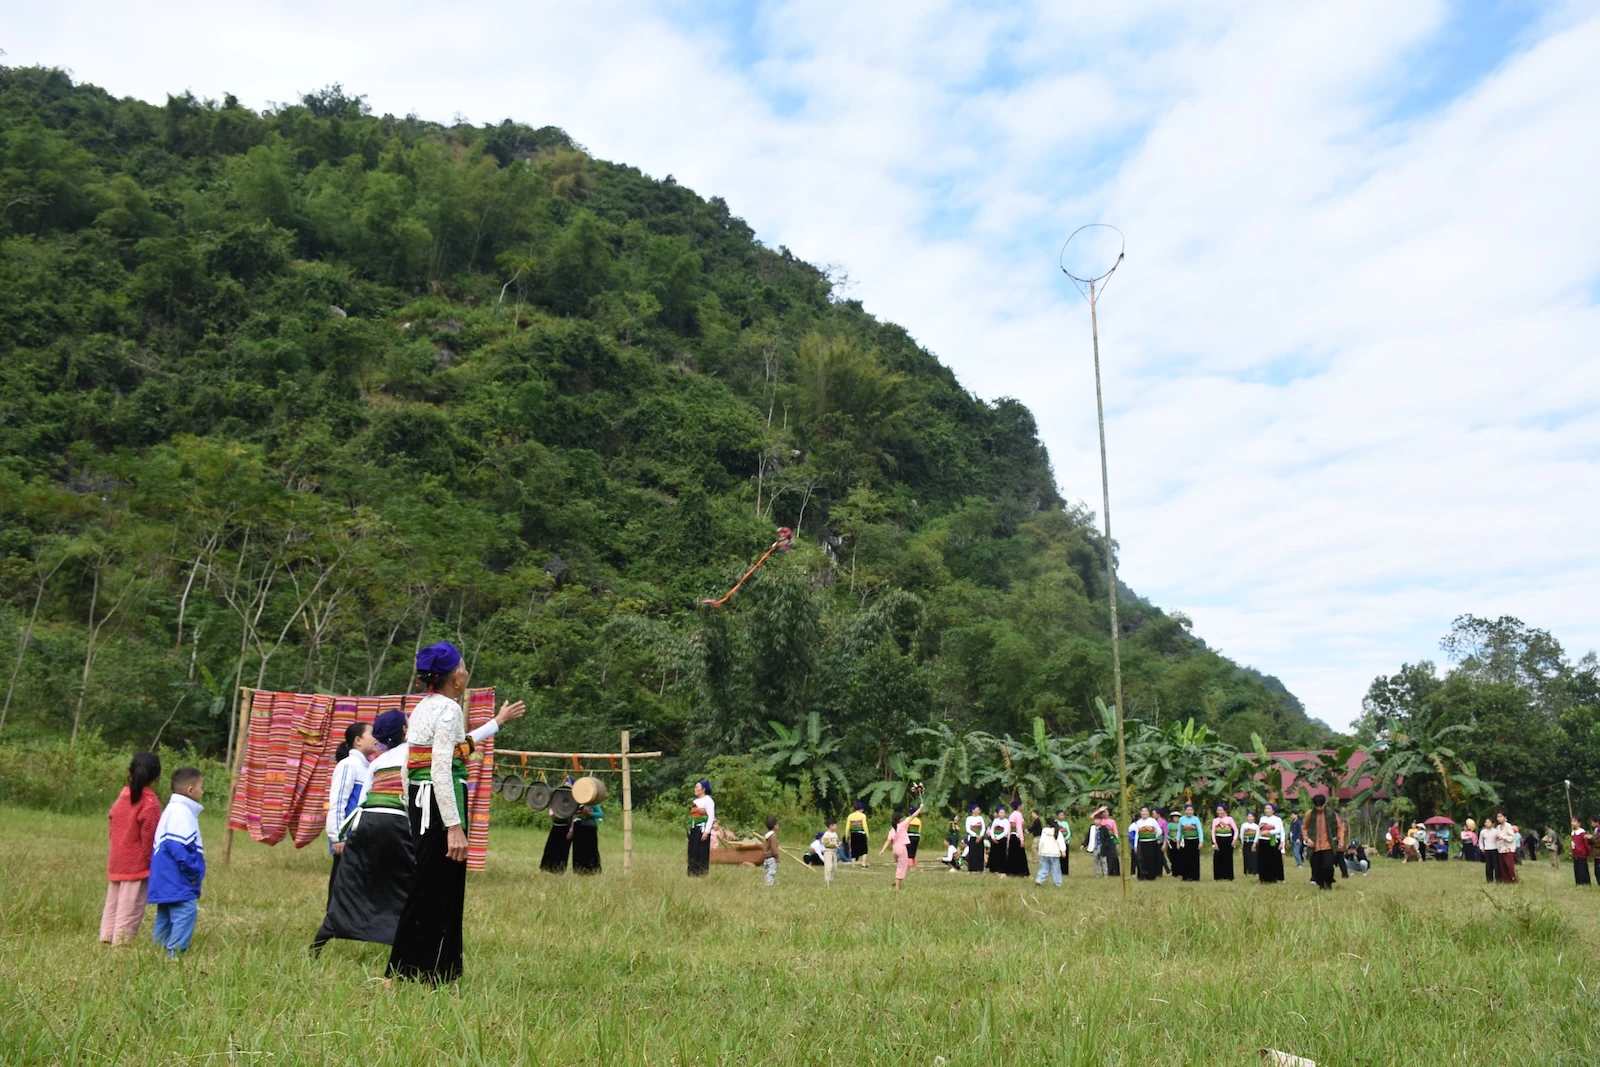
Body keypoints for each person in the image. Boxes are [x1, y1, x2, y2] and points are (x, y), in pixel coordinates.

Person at [388, 641, 526, 985]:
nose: (465, 671)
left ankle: (428, 971)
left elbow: (421, 761)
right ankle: (412, 972)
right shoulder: (448, 710)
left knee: (429, 886)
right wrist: (453, 826)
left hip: (424, 806)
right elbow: (439, 768)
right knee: (437, 890)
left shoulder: (423, 708)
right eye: (463, 667)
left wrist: (496, 721)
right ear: (457, 678)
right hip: (439, 806)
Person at [101, 751, 162, 946]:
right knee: (130, 906)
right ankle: (121, 943)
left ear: (129, 773)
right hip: (136, 865)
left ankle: (106, 936)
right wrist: (152, 862)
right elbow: (149, 838)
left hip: (117, 859)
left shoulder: (122, 797)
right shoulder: (150, 803)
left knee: (113, 901)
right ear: (157, 778)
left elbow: (112, 825)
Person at [148, 766, 205, 958]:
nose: (202, 791)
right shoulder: (182, 812)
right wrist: (194, 872)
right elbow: (179, 847)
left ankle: (158, 950)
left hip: (163, 876)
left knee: (165, 913)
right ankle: (174, 953)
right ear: (190, 790)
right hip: (177, 878)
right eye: (201, 787)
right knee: (186, 911)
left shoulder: (172, 809)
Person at [324, 721, 378, 901]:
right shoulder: (348, 765)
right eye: (371, 734)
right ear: (358, 740)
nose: (376, 737)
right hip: (346, 838)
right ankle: (333, 925)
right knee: (341, 885)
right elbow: (338, 801)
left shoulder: (368, 767)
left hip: (360, 837)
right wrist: (338, 837)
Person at [1304, 794, 1344, 891]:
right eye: (1317, 806)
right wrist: (1307, 839)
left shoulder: (1332, 814)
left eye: (1321, 806)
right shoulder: (1309, 814)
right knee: (1316, 868)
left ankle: (1328, 883)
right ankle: (1321, 885)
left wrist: (1341, 839)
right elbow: (1304, 828)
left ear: (1324, 804)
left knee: (1328, 866)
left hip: (1328, 845)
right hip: (1314, 846)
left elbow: (1339, 828)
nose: (1319, 808)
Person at [878, 804, 921, 889]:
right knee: (902, 867)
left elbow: (888, 840)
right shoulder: (903, 825)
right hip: (902, 849)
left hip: (895, 849)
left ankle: (896, 881)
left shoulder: (893, 829)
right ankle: (897, 886)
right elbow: (913, 816)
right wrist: (920, 808)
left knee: (900, 865)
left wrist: (883, 850)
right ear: (900, 819)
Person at [542, 777, 578, 875]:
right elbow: (552, 811)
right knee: (550, 847)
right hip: (556, 827)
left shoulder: (575, 799)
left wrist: (571, 831)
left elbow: (574, 817)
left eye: (568, 785)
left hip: (566, 828)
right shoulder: (558, 796)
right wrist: (553, 814)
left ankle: (559, 870)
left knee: (562, 850)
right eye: (565, 785)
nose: (567, 787)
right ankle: (547, 867)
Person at [687, 780, 716, 877]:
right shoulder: (695, 801)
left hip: (702, 829)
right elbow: (692, 816)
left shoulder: (708, 801)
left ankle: (701, 873)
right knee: (692, 851)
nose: (695, 789)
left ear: (703, 789)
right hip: (694, 828)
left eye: (697, 787)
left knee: (702, 851)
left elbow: (711, 817)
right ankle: (692, 873)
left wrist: (706, 832)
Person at [1256, 803, 1286, 884]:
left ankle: (1273, 878)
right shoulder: (1262, 818)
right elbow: (1258, 831)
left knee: (1272, 860)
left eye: (1269, 808)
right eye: (1266, 808)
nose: (1267, 810)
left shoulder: (1277, 819)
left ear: (1273, 810)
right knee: (1262, 860)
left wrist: (1269, 832)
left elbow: (1279, 830)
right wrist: (1255, 842)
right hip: (1262, 841)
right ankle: (1262, 878)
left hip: (1272, 841)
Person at [571, 800, 603, 875]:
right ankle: (579, 869)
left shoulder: (592, 802)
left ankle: (593, 869)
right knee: (578, 849)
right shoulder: (574, 801)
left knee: (591, 849)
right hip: (578, 827)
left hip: (589, 827)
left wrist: (590, 813)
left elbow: (600, 814)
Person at [1132, 807, 1163, 881]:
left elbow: (1159, 831)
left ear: (1148, 813)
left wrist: (1154, 837)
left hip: (1151, 843)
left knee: (1151, 859)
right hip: (1142, 843)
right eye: (1142, 811)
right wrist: (1136, 845)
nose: (1144, 813)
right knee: (1141, 859)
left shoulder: (1152, 821)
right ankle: (1142, 876)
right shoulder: (1138, 822)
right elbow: (1137, 834)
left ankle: (1151, 876)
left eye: (1146, 811)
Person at [1176, 803, 1203, 882]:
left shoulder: (1196, 819)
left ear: (1193, 811)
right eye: (1188, 810)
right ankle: (1185, 876)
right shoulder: (1181, 819)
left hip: (1195, 841)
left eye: (1191, 810)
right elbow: (1179, 831)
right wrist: (1178, 841)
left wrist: (1201, 842)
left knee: (1194, 859)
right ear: (1185, 811)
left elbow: (1200, 831)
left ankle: (1195, 877)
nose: (1189, 812)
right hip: (1185, 841)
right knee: (1184, 859)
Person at [1211, 803, 1238, 882]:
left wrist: (1234, 839)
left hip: (1228, 840)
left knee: (1228, 858)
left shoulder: (1229, 819)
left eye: (1221, 810)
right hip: (1218, 840)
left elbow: (1236, 830)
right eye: (1218, 810)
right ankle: (1218, 876)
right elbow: (1213, 832)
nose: (1219, 812)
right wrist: (1214, 842)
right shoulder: (1215, 820)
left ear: (1224, 811)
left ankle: (1228, 876)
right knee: (1217, 858)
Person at [1035, 817, 1065, 887]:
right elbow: (1061, 842)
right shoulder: (1057, 832)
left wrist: (1040, 851)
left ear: (1047, 824)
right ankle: (1057, 883)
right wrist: (1063, 850)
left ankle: (1039, 880)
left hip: (1044, 853)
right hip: (1054, 854)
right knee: (1056, 869)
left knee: (1043, 868)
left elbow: (1041, 842)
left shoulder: (1044, 831)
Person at [1007, 802, 1031, 877]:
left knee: (1012, 855)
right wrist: (1022, 839)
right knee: (1021, 855)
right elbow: (1019, 827)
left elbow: (1009, 828)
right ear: (1019, 806)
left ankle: (1012, 872)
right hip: (1016, 836)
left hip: (1012, 836)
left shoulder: (1012, 814)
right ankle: (1023, 872)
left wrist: (1008, 839)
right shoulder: (1018, 814)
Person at [1494, 812, 1518, 884]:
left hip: (1508, 849)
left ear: (1505, 817)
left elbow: (1512, 838)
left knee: (1509, 866)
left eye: (1501, 817)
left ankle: (1513, 881)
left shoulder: (1508, 826)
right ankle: (1506, 881)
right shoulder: (1498, 827)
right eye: (1498, 817)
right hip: (1501, 849)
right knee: (1503, 867)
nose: (1499, 818)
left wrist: (1503, 837)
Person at [988, 805, 1012, 876]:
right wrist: (993, 837)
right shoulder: (995, 820)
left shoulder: (1006, 821)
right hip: (994, 838)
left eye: (1003, 812)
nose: (1002, 814)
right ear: (998, 813)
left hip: (1002, 839)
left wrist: (998, 838)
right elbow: (992, 829)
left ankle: (1001, 869)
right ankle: (993, 869)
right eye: (1000, 812)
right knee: (994, 854)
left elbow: (1006, 831)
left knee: (1001, 855)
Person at [964, 804, 987, 874]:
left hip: (980, 837)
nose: (978, 811)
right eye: (977, 809)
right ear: (973, 810)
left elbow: (983, 827)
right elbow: (968, 829)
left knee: (980, 853)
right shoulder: (969, 818)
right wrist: (975, 835)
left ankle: (980, 869)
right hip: (973, 838)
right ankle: (971, 869)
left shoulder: (980, 818)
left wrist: (980, 836)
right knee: (972, 853)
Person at [847, 801, 870, 870]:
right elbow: (865, 826)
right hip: (861, 833)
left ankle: (853, 864)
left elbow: (847, 827)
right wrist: (867, 835)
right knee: (864, 849)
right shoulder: (863, 815)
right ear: (862, 809)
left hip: (853, 834)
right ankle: (863, 864)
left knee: (854, 849)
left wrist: (846, 835)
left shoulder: (850, 816)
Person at [821, 819, 841, 886]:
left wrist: (838, 844)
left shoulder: (835, 834)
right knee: (828, 867)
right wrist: (834, 845)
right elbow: (826, 844)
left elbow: (837, 841)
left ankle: (831, 880)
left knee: (834, 867)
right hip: (828, 852)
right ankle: (827, 881)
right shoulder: (826, 834)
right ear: (830, 826)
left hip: (834, 852)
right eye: (835, 825)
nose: (836, 827)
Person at [1480, 817, 1500, 882]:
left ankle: (1498, 879)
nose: (1487, 824)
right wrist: (1482, 848)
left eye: (1488, 822)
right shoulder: (1483, 832)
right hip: (1487, 850)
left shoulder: (1496, 831)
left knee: (1496, 865)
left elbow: (1499, 840)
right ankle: (1489, 879)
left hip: (1495, 849)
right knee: (1488, 865)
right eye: (1486, 822)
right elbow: (1480, 841)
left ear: (1493, 824)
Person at [1054, 810, 1073, 877]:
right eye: (1060, 815)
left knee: (1065, 857)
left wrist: (1066, 838)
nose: (1062, 816)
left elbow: (1069, 832)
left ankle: (1065, 872)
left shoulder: (1065, 823)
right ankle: (1058, 871)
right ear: (1057, 816)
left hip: (1066, 842)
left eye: (1063, 815)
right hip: (1058, 843)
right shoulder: (1055, 823)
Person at [763, 816, 780, 887]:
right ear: (775, 826)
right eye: (777, 824)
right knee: (771, 871)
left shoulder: (768, 836)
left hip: (766, 857)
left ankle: (767, 882)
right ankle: (769, 885)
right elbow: (774, 848)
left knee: (767, 871)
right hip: (771, 857)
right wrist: (777, 857)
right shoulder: (773, 836)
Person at [905, 806, 922, 871]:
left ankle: (911, 867)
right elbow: (919, 830)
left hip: (909, 836)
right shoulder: (919, 820)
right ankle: (915, 866)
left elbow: (905, 828)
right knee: (914, 852)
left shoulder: (908, 819)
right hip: (917, 836)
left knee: (909, 852)